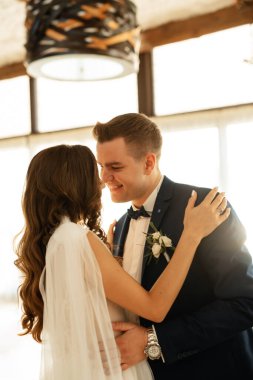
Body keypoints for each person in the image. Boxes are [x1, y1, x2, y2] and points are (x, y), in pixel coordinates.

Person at [14, 144, 228, 380]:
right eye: (94, 173)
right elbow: (155, 308)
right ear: (75, 183)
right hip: (114, 370)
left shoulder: (56, 240)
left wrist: (111, 259)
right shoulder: (78, 238)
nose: (102, 182)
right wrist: (192, 235)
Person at [93, 113, 253, 380]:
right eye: (101, 166)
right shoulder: (119, 227)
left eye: (115, 167)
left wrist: (155, 341)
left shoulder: (206, 207)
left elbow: (246, 301)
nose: (104, 177)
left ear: (148, 162)